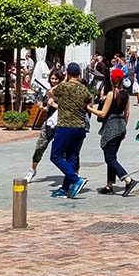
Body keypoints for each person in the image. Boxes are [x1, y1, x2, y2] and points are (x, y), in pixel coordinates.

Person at [88, 65, 138, 197]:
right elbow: (127, 113)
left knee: (109, 158)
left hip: (111, 126)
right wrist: (124, 128)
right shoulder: (125, 94)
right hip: (121, 125)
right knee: (112, 156)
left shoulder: (111, 94)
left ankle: (128, 179)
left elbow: (103, 114)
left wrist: (89, 109)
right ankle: (109, 185)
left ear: (111, 79)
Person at [48, 63, 91, 199]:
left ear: (67, 74)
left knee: (55, 155)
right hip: (80, 127)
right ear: (79, 74)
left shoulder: (64, 86)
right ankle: (67, 188)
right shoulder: (84, 89)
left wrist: (65, 81)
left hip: (66, 126)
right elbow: (88, 102)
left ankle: (75, 179)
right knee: (72, 156)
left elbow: (51, 92)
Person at [25, 71, 61, 182]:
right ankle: (32, 170)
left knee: (64, 151)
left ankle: (72, 174)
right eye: (52, 78)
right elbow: (48, 108)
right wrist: (43, 107)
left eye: (56, 79)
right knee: (40, 146)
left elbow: (66, 108)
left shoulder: (62, 92)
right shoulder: (48, 91)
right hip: (49, 122)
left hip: (61, 123)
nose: (53, 81)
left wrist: (53, 104)